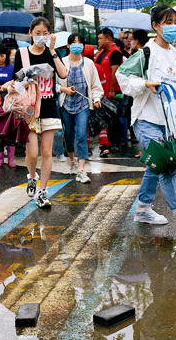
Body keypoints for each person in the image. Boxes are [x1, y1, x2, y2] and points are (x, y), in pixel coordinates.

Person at [116, 5, 176, 237]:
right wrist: (145, 84)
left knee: (154, 166)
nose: (173, 26)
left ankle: (143, 208)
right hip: (146, 119)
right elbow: (123, 78)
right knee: (166, 166)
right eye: (168, 22)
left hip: (170, 122)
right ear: (156, 26)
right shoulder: (145, 53)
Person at [13, 17, 68, 208]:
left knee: (46, 152)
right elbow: (16, 80)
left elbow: (63, 74)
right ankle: (31, 175)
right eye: (38, 33)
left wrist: (52, 50)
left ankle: (43, 192)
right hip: (30, 108)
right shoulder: (22, 53)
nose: (41, 37)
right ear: (30, 33)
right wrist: (29, 77)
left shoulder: (52, 53)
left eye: (45, 33)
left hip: (49, 105)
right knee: (33, 152)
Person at [58, 33, 103, 183]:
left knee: (82, 135)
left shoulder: (89, 63)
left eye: (80, 42)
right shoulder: (62, 62)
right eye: (74, 42)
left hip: (83, 104)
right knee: (69, 134)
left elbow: (96, 85)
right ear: (68, 46)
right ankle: (72, 162)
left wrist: (96, 99)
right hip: (65, 104)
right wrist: (64, 90)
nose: (77, 45)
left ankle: (82, 170)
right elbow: (54, 84)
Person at [94, 28, 126, 154]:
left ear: (108, 39)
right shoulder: (102, 52)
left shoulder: (115, 53)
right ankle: (107, 143)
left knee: (115, 118)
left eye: (100, 38)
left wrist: (112, 90)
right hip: (102, 91)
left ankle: (115, 143)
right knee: (106, 119)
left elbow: (115, 72)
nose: (98, 41)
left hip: (112, 92)